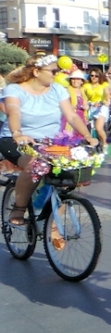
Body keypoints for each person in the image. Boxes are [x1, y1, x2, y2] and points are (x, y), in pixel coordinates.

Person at [0, 55, 98, 248]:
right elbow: (14, 112)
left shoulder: (57, 90)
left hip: (51, 141)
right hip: (14, 138)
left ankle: (52, 219)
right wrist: (18, 133)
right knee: (34, 164)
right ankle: (18, 210)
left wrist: (88, 136)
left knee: (67, 171)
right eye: (53, 71)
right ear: (36, 72)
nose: (57, 74)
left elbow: (71, 115)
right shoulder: (14, 90)